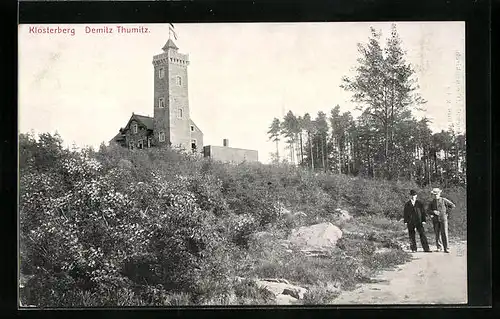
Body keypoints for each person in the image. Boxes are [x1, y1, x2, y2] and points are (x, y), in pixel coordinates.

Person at [428, 188, 456, 253]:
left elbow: (452, 205)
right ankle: (439, 247)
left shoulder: (444, 200)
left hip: (443, 219)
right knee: (437, 234)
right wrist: (433, 212)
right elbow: (428, 211)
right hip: (435, 220)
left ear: (439, 193)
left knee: (444, 234)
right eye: (434, 194)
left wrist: (447, 213)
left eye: (436, 194)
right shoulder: (432, 202)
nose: (435, 195)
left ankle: (446, 248)